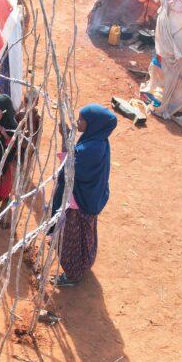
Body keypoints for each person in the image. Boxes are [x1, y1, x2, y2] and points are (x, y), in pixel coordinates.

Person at [48, 104, 117, 287]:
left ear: (92, 123)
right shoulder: (96, 139)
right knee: (83, 235)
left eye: (81, 120)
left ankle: (73, 274)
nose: (78, 122)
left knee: (73, 237)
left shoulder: (92, 149)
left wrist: (65, 138)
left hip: (81, 201)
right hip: (88, 197)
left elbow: (69, 167)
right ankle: (84, 260)